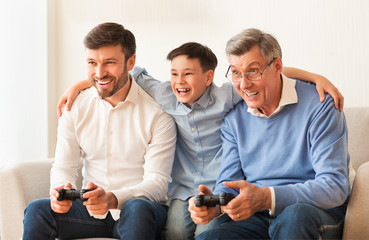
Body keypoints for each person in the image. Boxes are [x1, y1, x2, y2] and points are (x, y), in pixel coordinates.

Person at [58, 42, 344, 239]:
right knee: (183, 232)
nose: (179, 81)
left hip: (225, 185)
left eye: (188, 74)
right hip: (186, 188)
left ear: (209, 78)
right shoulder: (164, 94)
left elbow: (263, 76)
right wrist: (80, 84)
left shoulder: (231, 96)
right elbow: (117, 76)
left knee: (208, 229)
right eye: (174, 74)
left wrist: (314, 77)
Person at [188, 28, 350, 240]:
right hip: (258, 217)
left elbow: (334, 186)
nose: (244, 84)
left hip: (314, 213)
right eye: (236, 72)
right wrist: (216, 205)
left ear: (278, 67)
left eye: (253, 71)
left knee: (294, 217)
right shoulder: (233, 121)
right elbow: (230, 183)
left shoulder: (321, 106)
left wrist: (267, 197)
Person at [23, 22, 176, 240]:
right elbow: (64, 166)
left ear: (130, 61)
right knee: (37, 210)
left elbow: (157, 184)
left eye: (109, 63)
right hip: (90, 211)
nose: (99, 72)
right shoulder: (75, 107)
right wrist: (61, 190)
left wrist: (112, 199)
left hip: (141, 211)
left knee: (136, 210)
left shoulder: (157, 115)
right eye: (92, 63)